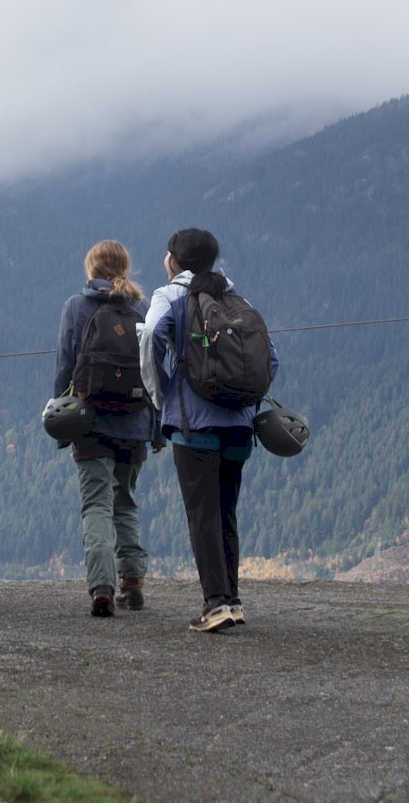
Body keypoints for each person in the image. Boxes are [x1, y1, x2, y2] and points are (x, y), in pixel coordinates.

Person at [143, 228, 277, 632]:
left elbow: (150, 336)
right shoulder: (238, 299)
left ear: (173, 260)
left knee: (202, 514)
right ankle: (232, 600)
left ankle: (215, 603)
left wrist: (161, 395)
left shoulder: (169, 296)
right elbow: (270, 358)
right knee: (225, 510)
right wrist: (245, 400)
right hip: (239, 424)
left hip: (193, 422)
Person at [53, 240, 154, 617]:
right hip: (135, 420)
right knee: (125, 501)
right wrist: (155, 427)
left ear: (91, 269)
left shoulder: (77, 307)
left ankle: (102, 587)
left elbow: (65, 366)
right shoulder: (141, 307)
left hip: (89, 422)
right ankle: (133, 582)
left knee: (96, 503)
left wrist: (60, 416)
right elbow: (154, 372)